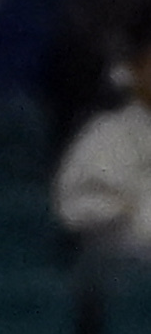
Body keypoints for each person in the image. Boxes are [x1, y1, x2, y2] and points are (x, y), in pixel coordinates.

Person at [54, 27, 151, 266]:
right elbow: (74, 208)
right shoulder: (105, 133)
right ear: (135, 70)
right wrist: (125, 212)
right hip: (124, 265)